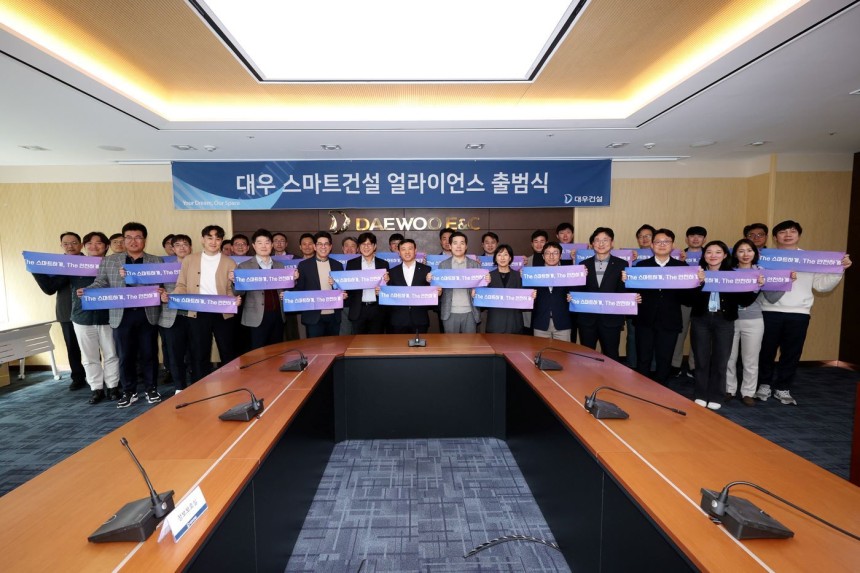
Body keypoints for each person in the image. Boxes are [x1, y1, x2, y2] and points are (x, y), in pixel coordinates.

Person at [757, 220, 852, 405]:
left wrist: (838, 270)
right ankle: (763, 385)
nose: (788, 235)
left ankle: (783, 388)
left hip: (799, 313)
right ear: (775, 237)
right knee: (765, 352)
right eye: (782, 232)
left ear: (799, 235)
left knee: (791, 353)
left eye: (792, 231)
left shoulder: (810, 258)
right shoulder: (766, 258)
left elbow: (822, 287)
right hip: (769, 311)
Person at [81, 222, 163, 408]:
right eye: (129, 237)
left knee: (149, 354)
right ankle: (129, 391)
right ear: (123, 240)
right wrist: (88, 291)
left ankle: (151, 389)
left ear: (145, 240)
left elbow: (161, 284)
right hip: (121, 315)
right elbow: (101, 282)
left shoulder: (155, 261)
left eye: (138, 237)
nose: (133, 241)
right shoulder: (110, 261)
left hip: (147, 314)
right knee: (125, 356)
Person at [689, 241, 760, 410]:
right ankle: (700, 394)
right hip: (701, 320)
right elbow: (687, 299)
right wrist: (699, 284)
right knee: (701, 360)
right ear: (704, 255)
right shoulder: (696, 273)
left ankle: (716, 395)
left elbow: (744, 301)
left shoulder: (733, 275)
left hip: (724, 321)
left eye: (718, 252)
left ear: (725, 255)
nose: (713, 255)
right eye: (709, 252)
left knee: (721, 360)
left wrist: (756, 286)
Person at [628, 228, 695, 385]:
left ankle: (661, 390)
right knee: (643, 358)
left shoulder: (682, 268)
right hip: (645, 320)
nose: (662, 244)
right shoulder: (641, 266)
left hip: (670, 320)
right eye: (658, 242)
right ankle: (641, 389)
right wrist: (628, 284)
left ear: (673, 245)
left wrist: (697, 282)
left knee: (665, 359)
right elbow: (632, 293)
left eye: (666, 242)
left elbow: (688, 299)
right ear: (652, 245)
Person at [172, 225, 239, 382]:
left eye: (218, 238)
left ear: (221, 241)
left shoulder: (230, 262)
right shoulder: (190, 260)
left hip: (223, 312)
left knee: (227, 351)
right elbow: (181, 285)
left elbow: (231, 289)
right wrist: (174, 297)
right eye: (210, 238)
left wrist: (235, 298)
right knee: (199, 352)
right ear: (203, 240)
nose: (213, 242)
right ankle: (200, 385)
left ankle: (232, 384)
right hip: (198, 312)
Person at [31, 231, 87, 390]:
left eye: (74, 243)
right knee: (72, 347)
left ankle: (95, 377)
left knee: (91, 347)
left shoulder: (91, 262)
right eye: (66, 244)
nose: (70, 246)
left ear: (81, 245)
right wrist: (35, 267)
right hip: (66, 310)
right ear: (61, 246)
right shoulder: (55, 266)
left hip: (89, 311)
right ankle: (77, 377)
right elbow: (49, 289)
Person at [70, 232, 120, 404]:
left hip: (108, 315)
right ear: (84, 247)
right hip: (82, 317)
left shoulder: (114, 264)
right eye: (89, 243)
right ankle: (96, 388)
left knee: (111, 353)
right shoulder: (73, 265)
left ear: (106, 246)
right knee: (89, 356)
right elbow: (51, 286)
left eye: (98, 243)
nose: (94, 246)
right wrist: (36, 269)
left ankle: (113, 386)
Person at [576, 228, 630, 362]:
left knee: (611, 355)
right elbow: (578, 291)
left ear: (612, 243)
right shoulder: (583, 265)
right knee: (586, 356)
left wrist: (627, 283)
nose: (601, 243)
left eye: (605, 240)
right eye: (597, 240)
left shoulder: (622, 264)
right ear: (592, 244)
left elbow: (623, 293)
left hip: (611, 320)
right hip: (587, 320)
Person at [725, 239, 766, 406]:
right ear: (735, 254)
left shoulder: (762, 272)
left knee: (750, 359)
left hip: (754, 319)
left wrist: (788, 279)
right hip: (730, 319)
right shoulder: (729, 272)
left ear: (755, 253)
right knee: (729, 357)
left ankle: (748, 392)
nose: (745, 254)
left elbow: (773, 294)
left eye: (749, 250)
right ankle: (729, 389)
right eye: (741, 251)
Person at [235, 229, 287, 350]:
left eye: (267, 242)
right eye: (260, 243)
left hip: (277, 315)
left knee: (277, 351)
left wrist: (293, 281)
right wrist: (235, 281)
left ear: (272, 245)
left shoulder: (280, 266)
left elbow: (286, 288)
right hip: (256, 316)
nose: (264, 246)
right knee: (257, 353)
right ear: (254, 246)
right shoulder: (244, 266)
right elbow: (238, 292)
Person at [158, 234, 193, 393]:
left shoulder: (199, 266)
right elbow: (157, 287)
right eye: (177, 245)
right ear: (172, 249)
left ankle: (197, 384)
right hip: (172, 315)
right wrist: (161, 295)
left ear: (190, 247)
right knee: (175, 354)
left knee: (196, 352)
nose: (182, 247)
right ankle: (179, 387)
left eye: (185, 244)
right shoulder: (164, 268)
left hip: (195, 314)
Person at [671, 226, 707, 378]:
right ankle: (675, 364)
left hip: (703, 300)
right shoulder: (678, 255)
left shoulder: (710, 255)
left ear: (704, 239)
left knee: (699, 335)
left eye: (699, 236)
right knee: (679, 333)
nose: (696, 239)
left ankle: (694, 365)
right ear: (686, 239)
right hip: (683, 300)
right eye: (692, 236)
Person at [294, 231, 345, 337]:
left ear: (330, 247)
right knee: (314, 347)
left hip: (333, 315)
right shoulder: (304, 265)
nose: (323, 247)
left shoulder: (338, 265)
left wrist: (342, 293)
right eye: (320, 244)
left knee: (334, 346)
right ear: (314, 247)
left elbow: (342, 288)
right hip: (313, 317)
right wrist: (291, 284)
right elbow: (299, 289)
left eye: (326, 244)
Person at [437, 231, 483, 333]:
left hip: (470, 312)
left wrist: (481, 287)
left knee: (470, 342)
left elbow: (481, 289)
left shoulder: (475, 265)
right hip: (449, 312)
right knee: (450, 342)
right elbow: (439, 289)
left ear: (466, 246)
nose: (458, 246)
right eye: (455, 243)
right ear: (450, 246)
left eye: (462, 243)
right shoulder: (443, 265)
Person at [386, 239, 434, 334]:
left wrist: (435, 287)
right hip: (398, 321)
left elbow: (432, 294)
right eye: (403, 249)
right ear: (399, 252)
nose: (407, 252)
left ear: (415, 251)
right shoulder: (392, 272)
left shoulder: (427, 270)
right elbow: (389, 296)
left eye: (410, 249)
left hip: (420, 319)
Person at [345, 232, 389, 334]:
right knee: (358, 341)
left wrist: (387, 283)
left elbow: (388, 289)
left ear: (374, 246)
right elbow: (348, 287)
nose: (366, 247)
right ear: (359, 247)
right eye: (363, 244)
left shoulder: (383, 264)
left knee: (377, 341)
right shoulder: (352, 264)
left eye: (369, 244)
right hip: (358, 309)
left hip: (377, 309)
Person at [483, 244, 530, 334]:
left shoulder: (518, 276)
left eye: (505, 254)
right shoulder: (488, 276)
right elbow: (482, 301)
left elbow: (527, 299)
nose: (502, 258)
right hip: (495, 323)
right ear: (495, 258)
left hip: (514, 323)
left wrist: (532, 295)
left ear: (510, 258)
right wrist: (482, 287)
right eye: (499, 255)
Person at [532, 242, 573, 341]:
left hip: (562, 324)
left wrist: (572, 297)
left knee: (562, 351)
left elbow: (577, 293)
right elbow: (526, 296)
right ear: (543, 256)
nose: (551, 256)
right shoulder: (533, 274)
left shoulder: (569, 273)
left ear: (560, 256)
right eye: (548, 253)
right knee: (540, 351)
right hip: (541, 323)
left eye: (555, 253)